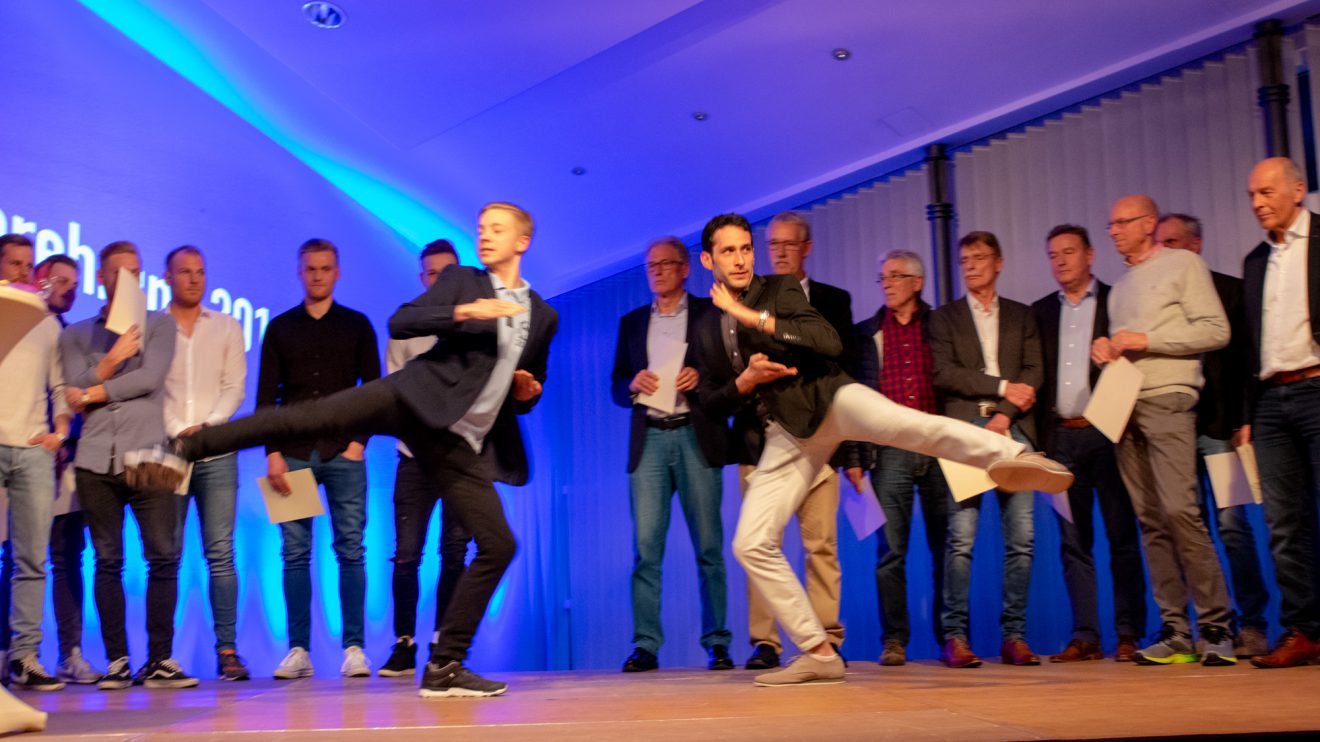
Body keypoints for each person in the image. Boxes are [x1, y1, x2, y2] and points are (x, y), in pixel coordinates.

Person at [175, 202, 558, 698]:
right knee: (304, 418)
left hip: (455, 437)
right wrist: (466, 311)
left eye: (497, 229)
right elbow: (403, 322)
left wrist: (529, 392)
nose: (485, 236)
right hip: (410, 396)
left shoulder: (544, 316)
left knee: (499, 544)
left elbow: (528, 388)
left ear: (522, 241)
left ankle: (444, 665)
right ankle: (189, 445)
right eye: (482, 228)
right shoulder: (466, 280)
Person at [691, 213, 1073, 687]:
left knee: (912, 426)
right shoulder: (706, 326)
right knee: (750, 543)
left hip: (830, 399)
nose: (741, 258)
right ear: (708, 259)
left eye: (746, 247)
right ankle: (818, 650)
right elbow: (709, 403)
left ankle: (1015, 457)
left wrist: (754, 317)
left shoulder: (779, 290)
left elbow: (827, 341)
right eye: (729, 251)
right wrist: (744, 381)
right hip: (784, 437)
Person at [1092, 195, 1234, 665]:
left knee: (1180, 511)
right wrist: (1109, 350)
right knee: (1150, 520)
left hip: (1169, 400)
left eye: (1121, 223)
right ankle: (1175, 629)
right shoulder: (1119, 288)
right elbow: (1129, 346)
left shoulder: (1183, 264)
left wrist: (1147, 340)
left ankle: (1216, 626)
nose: (1112, 231)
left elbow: (1216, 330)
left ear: (1148, 224)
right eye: (1110, 224)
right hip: (1124, 404)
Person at [60, 241, 196, 689]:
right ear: (102, 278)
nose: (129, 282)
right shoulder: (76, 334)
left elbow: (149, 378)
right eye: (120, 273)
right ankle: (118, 659)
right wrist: (114, 358)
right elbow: (69, 391)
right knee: (108, 559)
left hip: (148, 453)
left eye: (136, 272)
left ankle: (160, 659)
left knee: (163, 555)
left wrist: (96, 390)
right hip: (96, 459)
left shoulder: (159, 324)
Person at [255, 238, 380, 679]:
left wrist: (358, 442)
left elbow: (374, 389)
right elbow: (266, 396)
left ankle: (354, 648)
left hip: (345, 451)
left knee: (351, 550)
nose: (317, 275)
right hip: (291, 453)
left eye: (325, 268)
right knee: (293, 552)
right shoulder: (279, 327)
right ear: (299, 272)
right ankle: (299, 650)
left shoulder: (358, 325)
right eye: (310, 268)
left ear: (337, 272)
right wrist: (272, 453)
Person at [733, 212, 852, 670]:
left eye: (788, 244)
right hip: (761, 440)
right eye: (773, 244)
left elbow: (845, 366)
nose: (779, 251)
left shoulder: (833, 301)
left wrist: (852, 448)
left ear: (807, 247)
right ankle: (767, 641)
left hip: (820, 437)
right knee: (760, 543)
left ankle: (826, 638)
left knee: (821, 543)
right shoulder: (747, 301)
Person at [612, 237, 732, 673]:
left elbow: (728, 375)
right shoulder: (630, 323)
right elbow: (615, 384)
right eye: (651, 266)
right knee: (646, 550)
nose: (658, 271)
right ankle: (646, 644)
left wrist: (700, 375)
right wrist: (631, 384)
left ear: (685, 269)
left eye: (666, 264)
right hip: (649, 439)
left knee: (709, 548)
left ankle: (718, 642)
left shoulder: (710, 314)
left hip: (694, 436)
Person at [1155, 213, 1270, 658]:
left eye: (1175, 242)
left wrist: (1246, 419)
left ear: (1197, 245)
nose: (1167, 251)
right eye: (1161, 243)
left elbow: (1246, 363)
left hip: (1220, 430)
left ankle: (1254, 625)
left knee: (1232, 527)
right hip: (1175, 432)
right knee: (1184, 528)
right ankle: (1203, 627)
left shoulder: (1229, 290)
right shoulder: (1160, 300)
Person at [929, 230, 1045, 669]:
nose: (972, 265)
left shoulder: (1022, 314)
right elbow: (945, 373)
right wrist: (1000, 389)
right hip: (965, 430)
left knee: (1022, 538)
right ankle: (955, 637)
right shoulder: (944, 318)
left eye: (980, 257)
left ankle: (1014, 636)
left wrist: (1004, 415)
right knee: (960, 539)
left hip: (1012, 430)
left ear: (999, 263)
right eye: (965, 259)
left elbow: (1035, 369)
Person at [1031, 225, 1146, 663]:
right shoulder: (1041, 311)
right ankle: (1085, 636)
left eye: (1068, 252)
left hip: (1108, 432)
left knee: (1121, 535)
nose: (1060, 260)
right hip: (1060, 438)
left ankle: (1129, 632)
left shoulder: (1117, 300)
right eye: (1052, 254)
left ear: (1090, 255)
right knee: (1073, 542)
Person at [843, 249, 949, 667]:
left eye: (896, 276)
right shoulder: (865, 333)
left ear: (918, 282)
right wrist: (852, 454)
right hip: (888, 453)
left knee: (948, 548)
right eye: (882, 278)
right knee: (890, 553)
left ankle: (952, 638)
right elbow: (850, 400)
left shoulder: (941, 326)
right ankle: (894, 640)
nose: (887, 284)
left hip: (939, 449)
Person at [378, 239, 474, 678]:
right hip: (414, 457)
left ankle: (442, 643)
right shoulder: (405, 326)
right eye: (431, 273)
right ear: (421, 279)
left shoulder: (474, 325)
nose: (439, 279)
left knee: (455, 551)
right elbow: (395, 392)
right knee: (407, 554)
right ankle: (404, 644)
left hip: (458, 456)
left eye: (447, 272)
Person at [1240, 158, 1320, 668]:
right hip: (1271, 401)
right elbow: (1253, 343)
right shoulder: (1254, 260)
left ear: (1298, 189)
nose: (1257, 202)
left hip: (1317, 387)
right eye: (1251, 194)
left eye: (1266, 192)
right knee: (1284, 523)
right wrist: (1249, 413)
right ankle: (1304, 629)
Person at [162, 246, 250, 680]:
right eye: (185, 272)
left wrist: (208, 428)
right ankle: (162, 656)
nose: (194, 280)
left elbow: (234, 387)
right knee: (166, 556)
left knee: (220, 554)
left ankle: (228, 650)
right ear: (167, 277)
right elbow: (150, 388)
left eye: (200, 272)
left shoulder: (228, 326)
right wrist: (180, 429)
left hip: (217, 451)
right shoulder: (154, 328)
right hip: (168, 451)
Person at [0, 235, 70, 691]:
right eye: (15, 263)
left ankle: (25, 656)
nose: (25, 272)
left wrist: (59, 433)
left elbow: (60, 386)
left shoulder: (48, 322)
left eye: (29, 265)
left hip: (32, 450)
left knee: (32, 560)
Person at [36, 255, 101, 685]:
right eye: (61, 281)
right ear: (41, 279)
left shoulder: (70, 335)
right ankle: (13, 652)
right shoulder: (22, 329)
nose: (69, 290)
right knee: (17, 559)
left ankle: (70, 653)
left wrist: (66, 441)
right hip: (25, 451)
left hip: (68, 456)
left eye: (75, 284)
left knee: (66, 557)